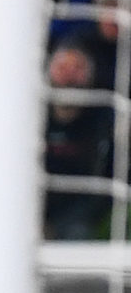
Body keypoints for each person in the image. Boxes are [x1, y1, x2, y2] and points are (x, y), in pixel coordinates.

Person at [43, 42, 114, 241]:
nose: (69, 76)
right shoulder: (30, 121)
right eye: (62, 68)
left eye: (77, 69)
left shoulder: (103, 124)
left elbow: (102, 189)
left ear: (90, 77)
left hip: (79, 220)